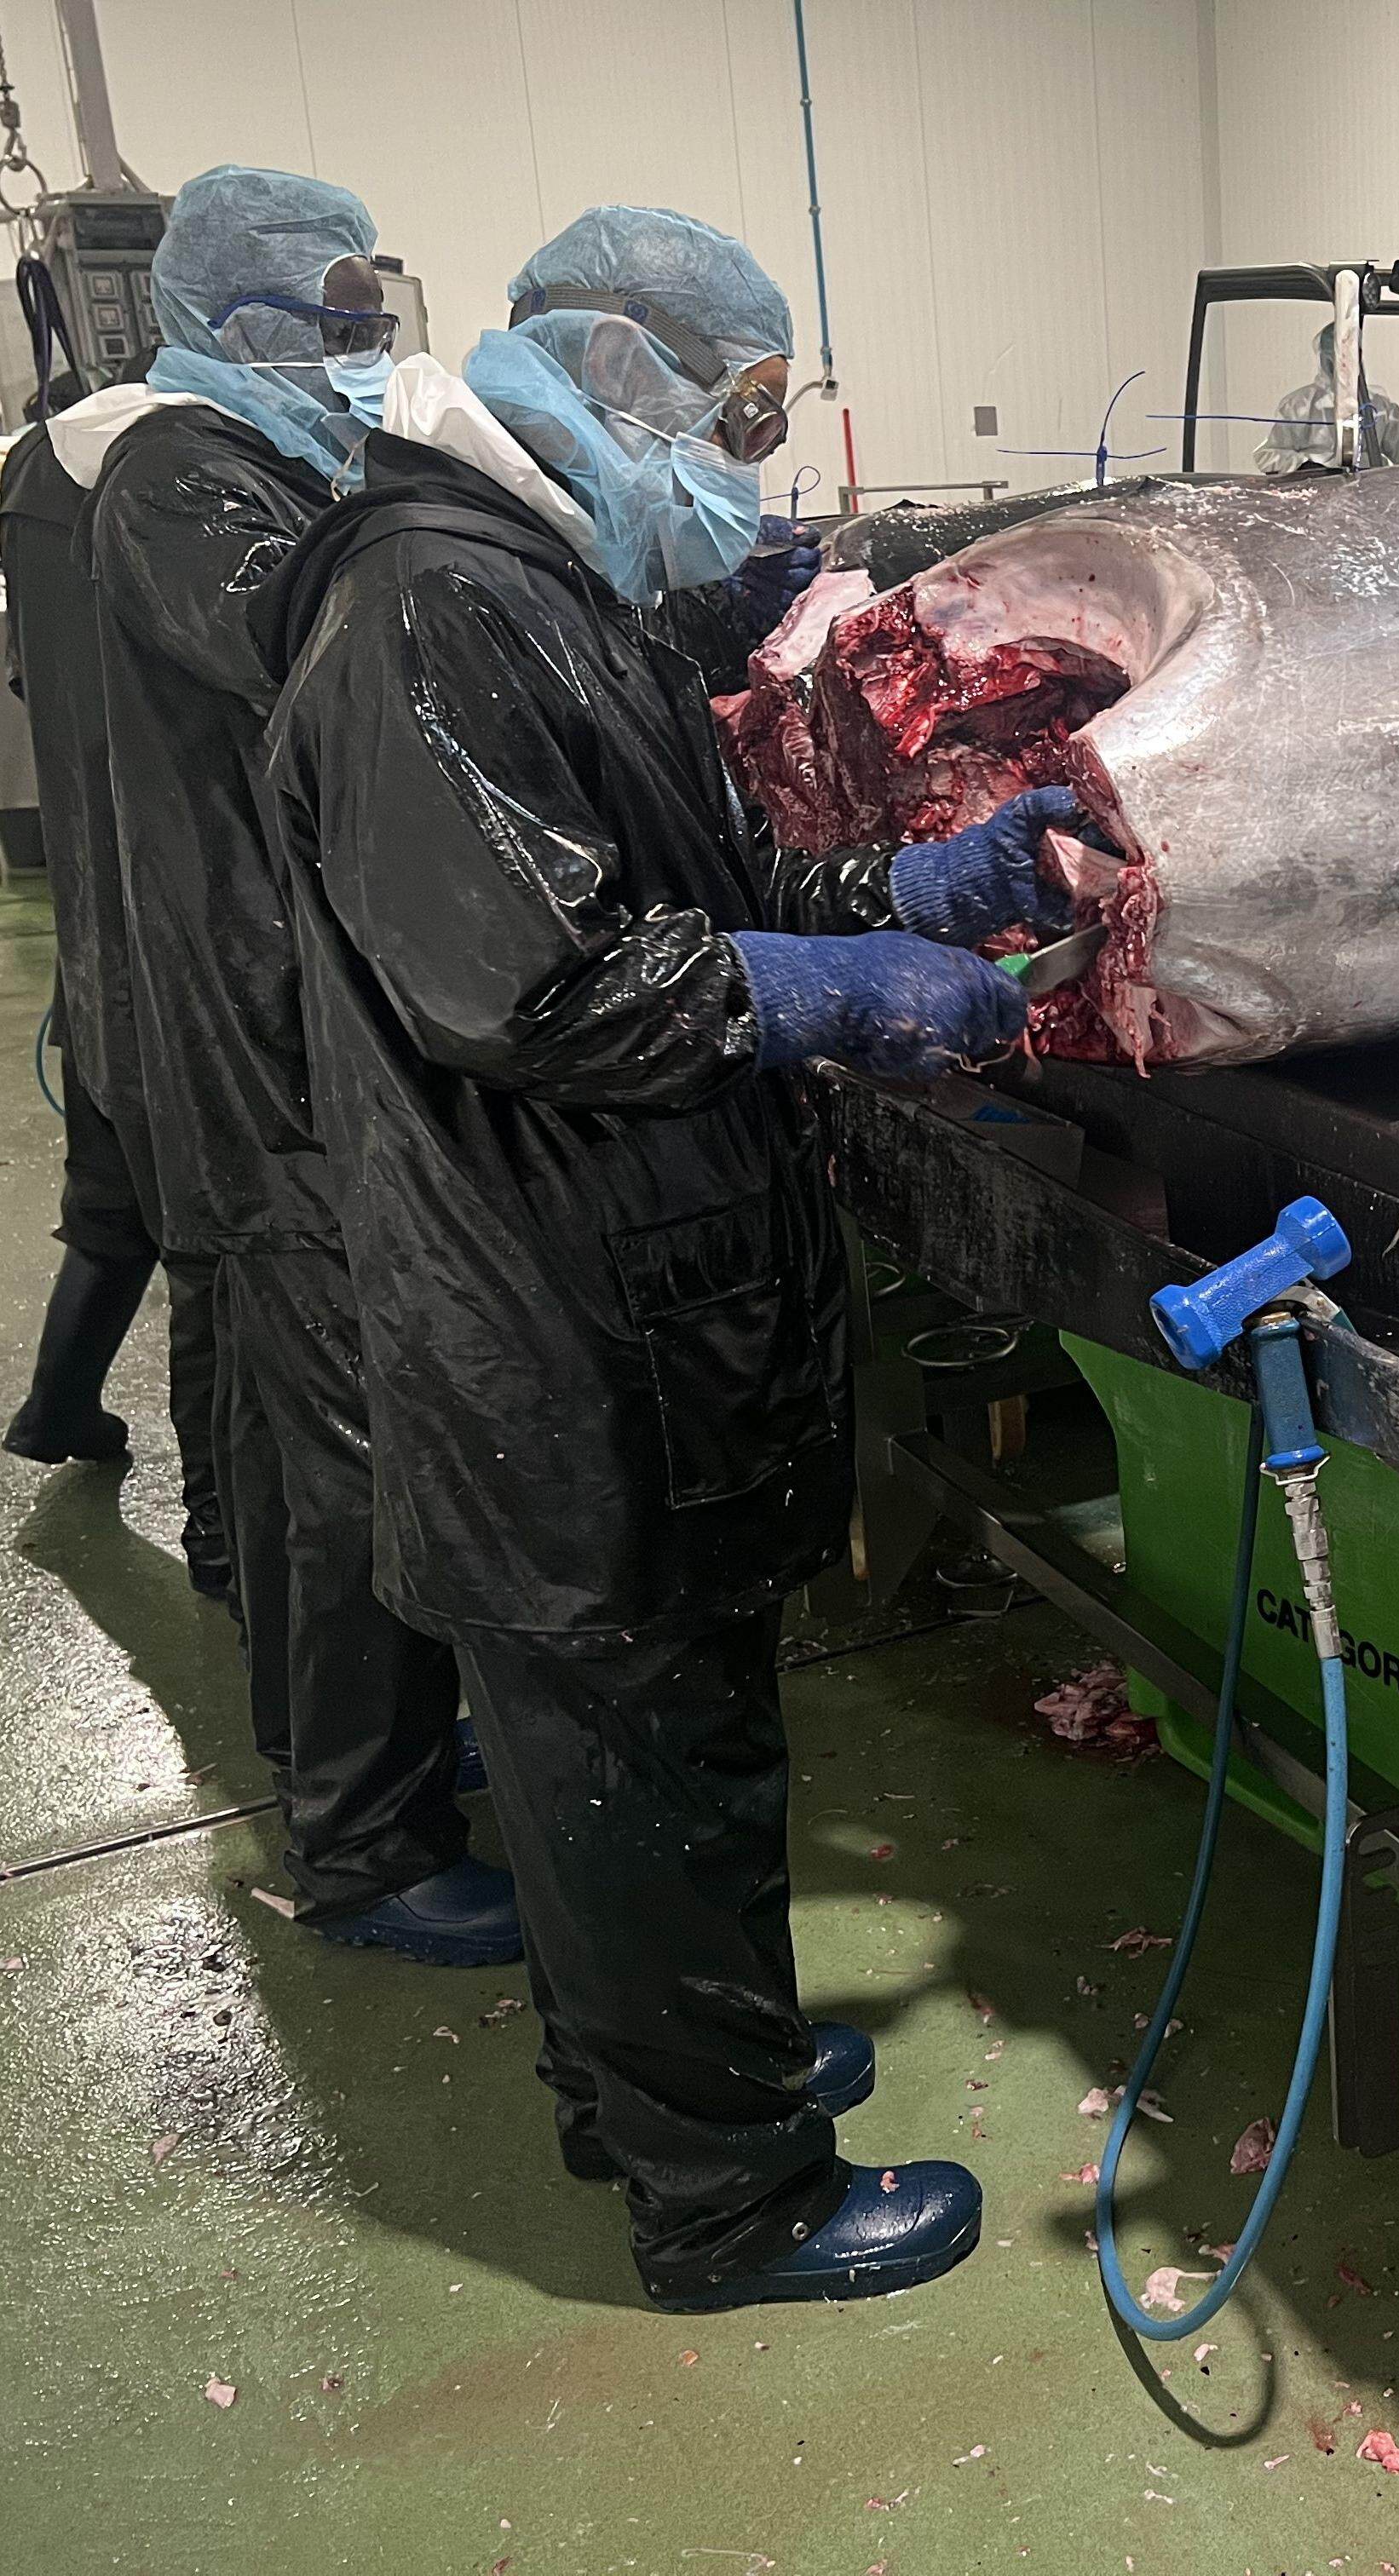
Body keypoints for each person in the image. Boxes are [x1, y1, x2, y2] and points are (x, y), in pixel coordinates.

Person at [249, 204, 1075, 2313]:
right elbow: (540, 984)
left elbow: (703, 874)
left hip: (619, 1279)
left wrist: (911, 893)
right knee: (632, 1747)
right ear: (623, 374)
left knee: (660, 1743)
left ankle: (659, 2080)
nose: (744, 468)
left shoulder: (543, 589)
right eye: (742, 416)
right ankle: (734, 2200)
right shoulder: (429, 609)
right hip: (545, 1304)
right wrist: (834, 992)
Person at [55, 166, 508, 1963]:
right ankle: (369, 1848)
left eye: (365, 313)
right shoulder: (179, 471)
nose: (357, 344)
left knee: (293, 1430)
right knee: (348, 1453)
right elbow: (318, 649)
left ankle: (344, 1755)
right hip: (260, 1040)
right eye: (331, 317)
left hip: (276, 1007)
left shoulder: (252, 465)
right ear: (232, 315)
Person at [0, 426, 229, 1598]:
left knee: (113, 1189)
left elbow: (32, 680)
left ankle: (57, 1404)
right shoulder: (181, 485)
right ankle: (220, 1533)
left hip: (98, 902)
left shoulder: (38, 479)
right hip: (186, 928)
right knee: (207, 1244)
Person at [1253, 321, 1399, 474]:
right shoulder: (1299, 405)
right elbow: (1268, 456)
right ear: (1323, 358)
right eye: (1336, 356)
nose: (1343, 364)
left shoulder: (1378, 406)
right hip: (1315, 491)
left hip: (1370, 490)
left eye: (1350, 355)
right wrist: (1305, 466)